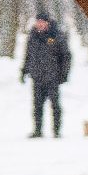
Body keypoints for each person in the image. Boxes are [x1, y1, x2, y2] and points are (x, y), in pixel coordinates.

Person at [20, 10, 72, 139]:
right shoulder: (32, 36)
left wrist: (63, 75)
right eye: (38, 22)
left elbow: (66, 56)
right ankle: (37, 130)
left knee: (55, 105)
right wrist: (24, 71)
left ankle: (56, 131)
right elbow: (28, 56)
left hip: (53, 77)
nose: (39, 24)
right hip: (37, 77)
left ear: (47, 23)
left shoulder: (56, 35)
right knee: (37, 106)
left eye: (42, 22)